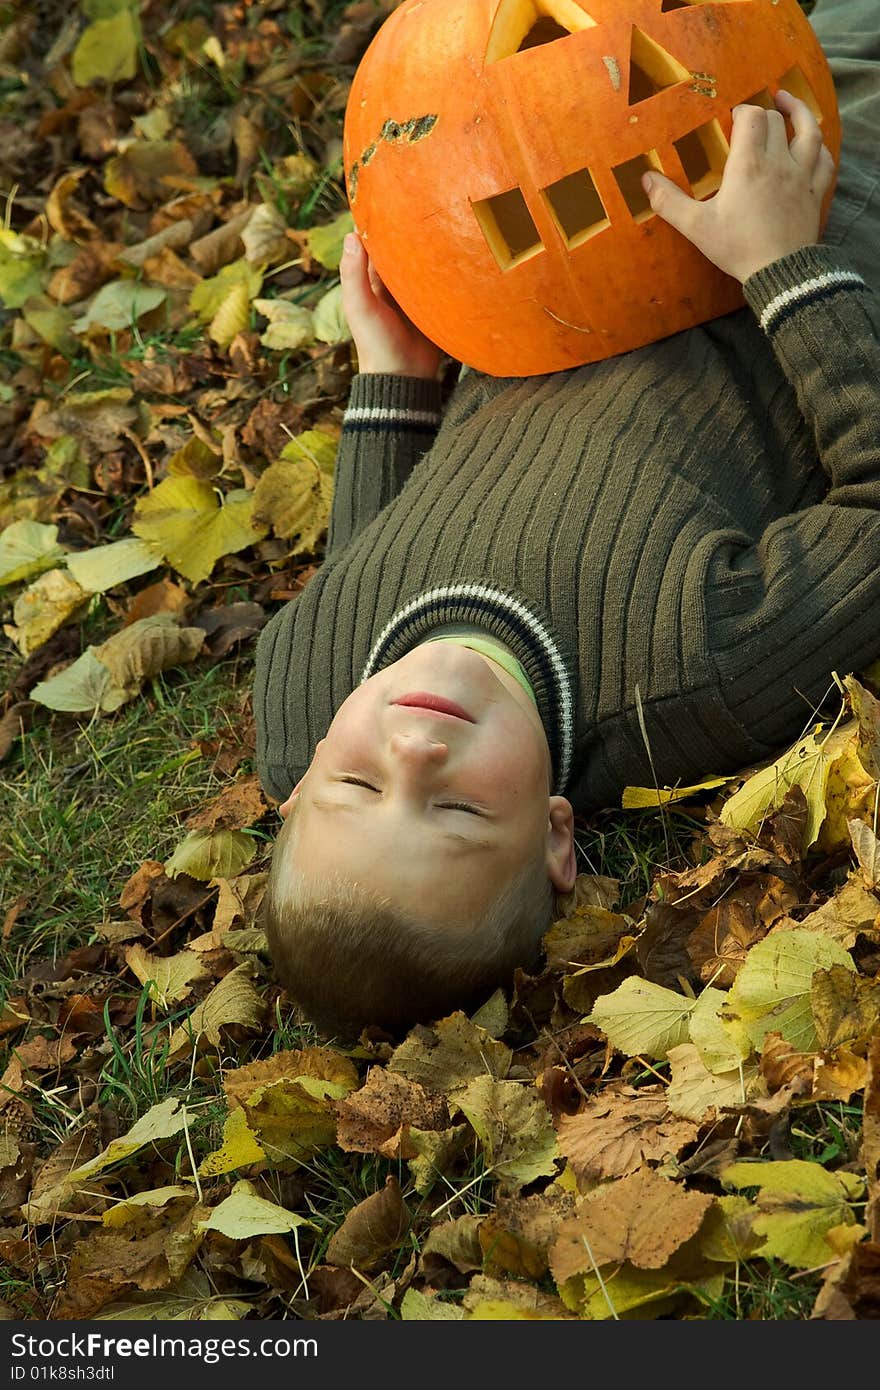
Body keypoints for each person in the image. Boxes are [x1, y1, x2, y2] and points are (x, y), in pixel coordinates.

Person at [253, 0, 880, 1040]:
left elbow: (362, 562)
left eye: (355, 780)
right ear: (555, 839)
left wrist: (392, 381)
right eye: (456, 812)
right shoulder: (687, 672)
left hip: (635, 130)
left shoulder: (300, 698)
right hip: (836, 199)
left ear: (298, 777)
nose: (412, 753)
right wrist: (785, 264)